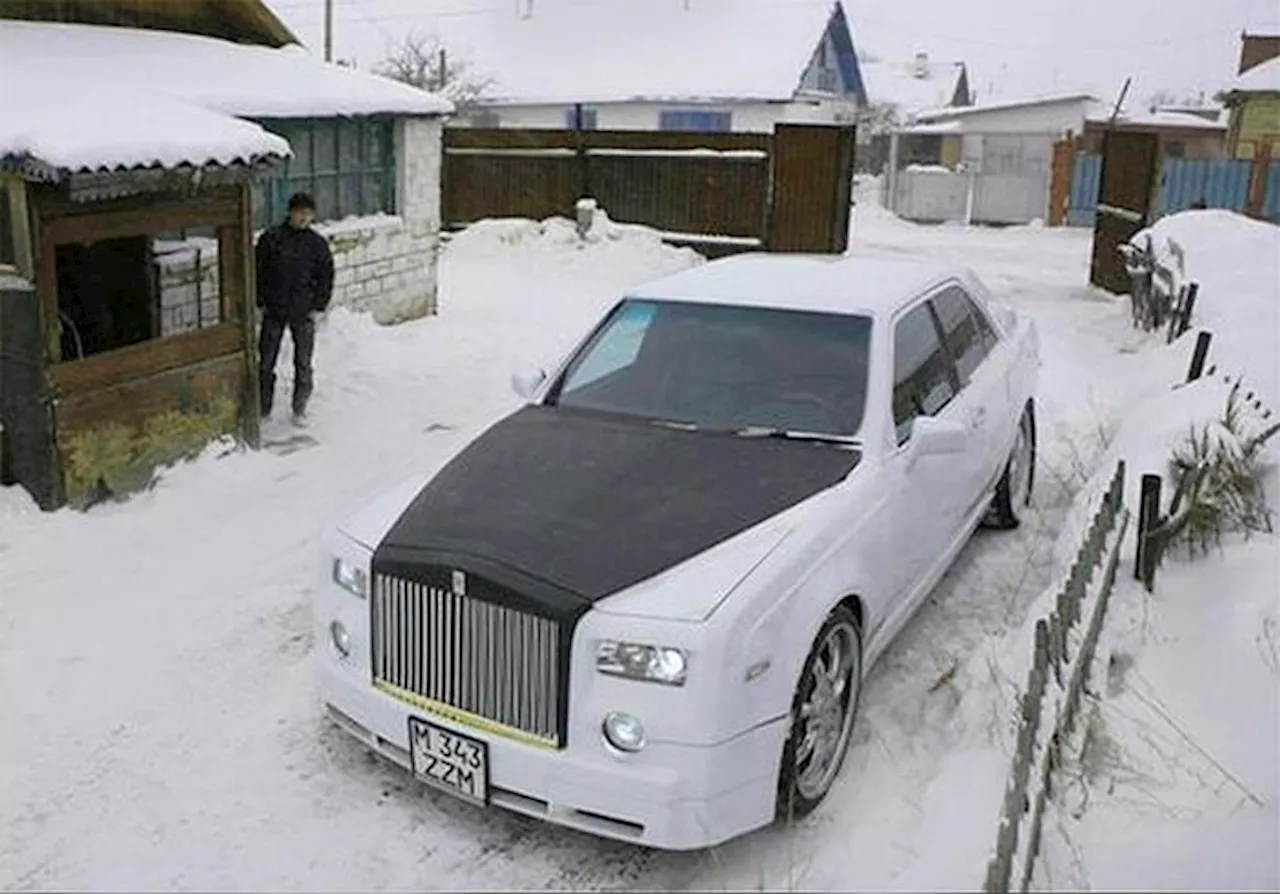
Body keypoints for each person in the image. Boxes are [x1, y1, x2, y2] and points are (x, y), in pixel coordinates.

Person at [254, 192, 335, 422]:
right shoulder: (271, 239)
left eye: (308, 214)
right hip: (274, 309)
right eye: (300, 212)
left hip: (303, 310)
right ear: (290, 212)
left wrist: (319, 305)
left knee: (303, 362)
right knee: (266, 361)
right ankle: (263, 407)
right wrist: (260, 302)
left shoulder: (316, 244)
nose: (303, 218)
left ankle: (299, 407)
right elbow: (257, 271)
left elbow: (326, 275)